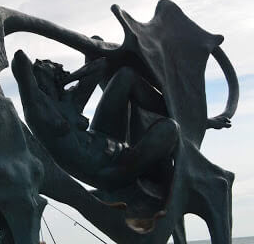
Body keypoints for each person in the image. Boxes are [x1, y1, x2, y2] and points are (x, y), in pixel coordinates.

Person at [12, 49, 179, 192]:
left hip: (104, 138)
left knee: (125, 75)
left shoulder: (69, 100)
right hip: (109, 171)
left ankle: (172, 108)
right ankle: (147, 167)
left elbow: (101, 65)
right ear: (40, 67)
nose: (61, 66)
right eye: (51, 63)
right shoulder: (38, 109)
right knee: (170, 128)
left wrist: (69, 79)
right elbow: (20, 60)